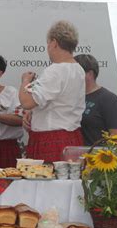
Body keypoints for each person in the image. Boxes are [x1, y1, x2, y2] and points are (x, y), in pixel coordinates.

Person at [19, 20, 85, 162]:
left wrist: (25, 81)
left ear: (54, 43)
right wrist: (33, 113)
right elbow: (58, 101)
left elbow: (26, 102)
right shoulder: (78, 69)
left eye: (48, 43)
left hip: (51, 139)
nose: (48, 48)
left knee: (45, 183)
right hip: (72, 136)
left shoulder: (56, 70)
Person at [74, 54, 117, 145]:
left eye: (74, 72)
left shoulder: (108, 99)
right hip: (72, 155)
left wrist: (103, 157)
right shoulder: (70, 98)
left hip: (96, 156)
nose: (70, 76)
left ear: (89, 74)